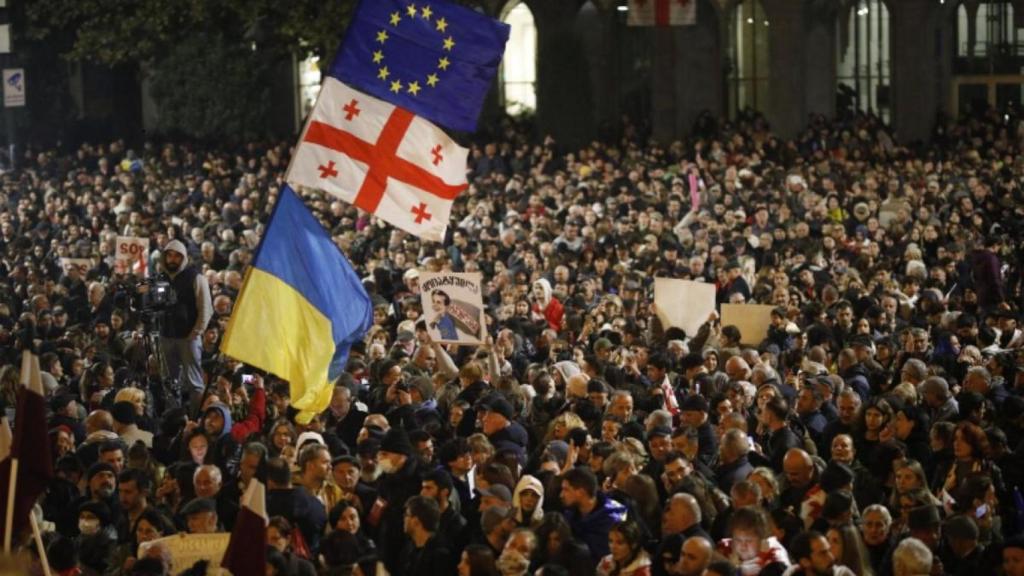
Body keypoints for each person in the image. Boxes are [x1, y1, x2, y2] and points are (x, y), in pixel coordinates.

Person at [158, 239, 212, 410]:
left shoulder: (196, 277)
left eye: (176, 256)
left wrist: (196, 332)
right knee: (169, 382)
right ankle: (173, 418)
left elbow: (205, 308)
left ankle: (195, 418)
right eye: (169, 256)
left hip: (188, 338)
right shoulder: (160, 278)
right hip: (166, 336)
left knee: (194, 383)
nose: (172, 260)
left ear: (183, 258)